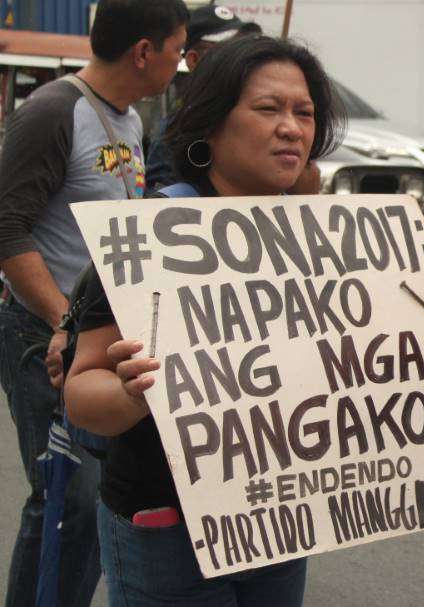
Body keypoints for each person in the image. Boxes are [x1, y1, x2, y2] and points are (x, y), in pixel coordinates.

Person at [62, 35, 424, 605]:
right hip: (166, 530)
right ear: (212, 124)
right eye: (269, 108)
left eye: (305, 112)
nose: (292, 127)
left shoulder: (328, 242)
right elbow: (82, 393)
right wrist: (134, 393)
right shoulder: (150, 238)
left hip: (277, 527)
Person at [0, 1, 189, 605]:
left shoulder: (130, 120)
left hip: (91, 335)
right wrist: (64, 320)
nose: (180, 62)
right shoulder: (56, 110)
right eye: (177, 49)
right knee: (64, 495)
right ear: (143, 52)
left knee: (91, 498)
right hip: (41, 334)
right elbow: (7, 229)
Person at [144, 3, 257, 190]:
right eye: (226, 51)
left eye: (243, 47)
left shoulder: (254, 121)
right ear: (193, 60)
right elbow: (161, 211)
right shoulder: (172, 134)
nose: (240, 58)